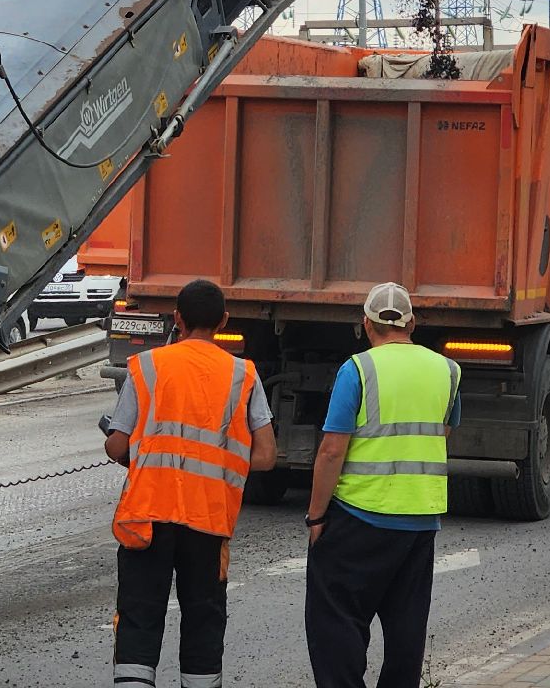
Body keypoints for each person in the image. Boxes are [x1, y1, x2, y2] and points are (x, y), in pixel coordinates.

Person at [103, 279, 278, 688]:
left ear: (177, 318)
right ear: (224, 321)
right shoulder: (243, 374)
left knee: (140, 615)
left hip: (147, 516)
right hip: (208, 517)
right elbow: (267, 456)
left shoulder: (148, 366)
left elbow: (116, 445)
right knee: (203, 615)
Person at [302, 282, 461, 688]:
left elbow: (331, 451)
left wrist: (316, 516)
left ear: (366, 325)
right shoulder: (447, 370)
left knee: (336, 619)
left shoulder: (358, 369)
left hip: (360, 517)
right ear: (413, 323)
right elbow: (441, 432)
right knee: (407, 628)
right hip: (420, 521)